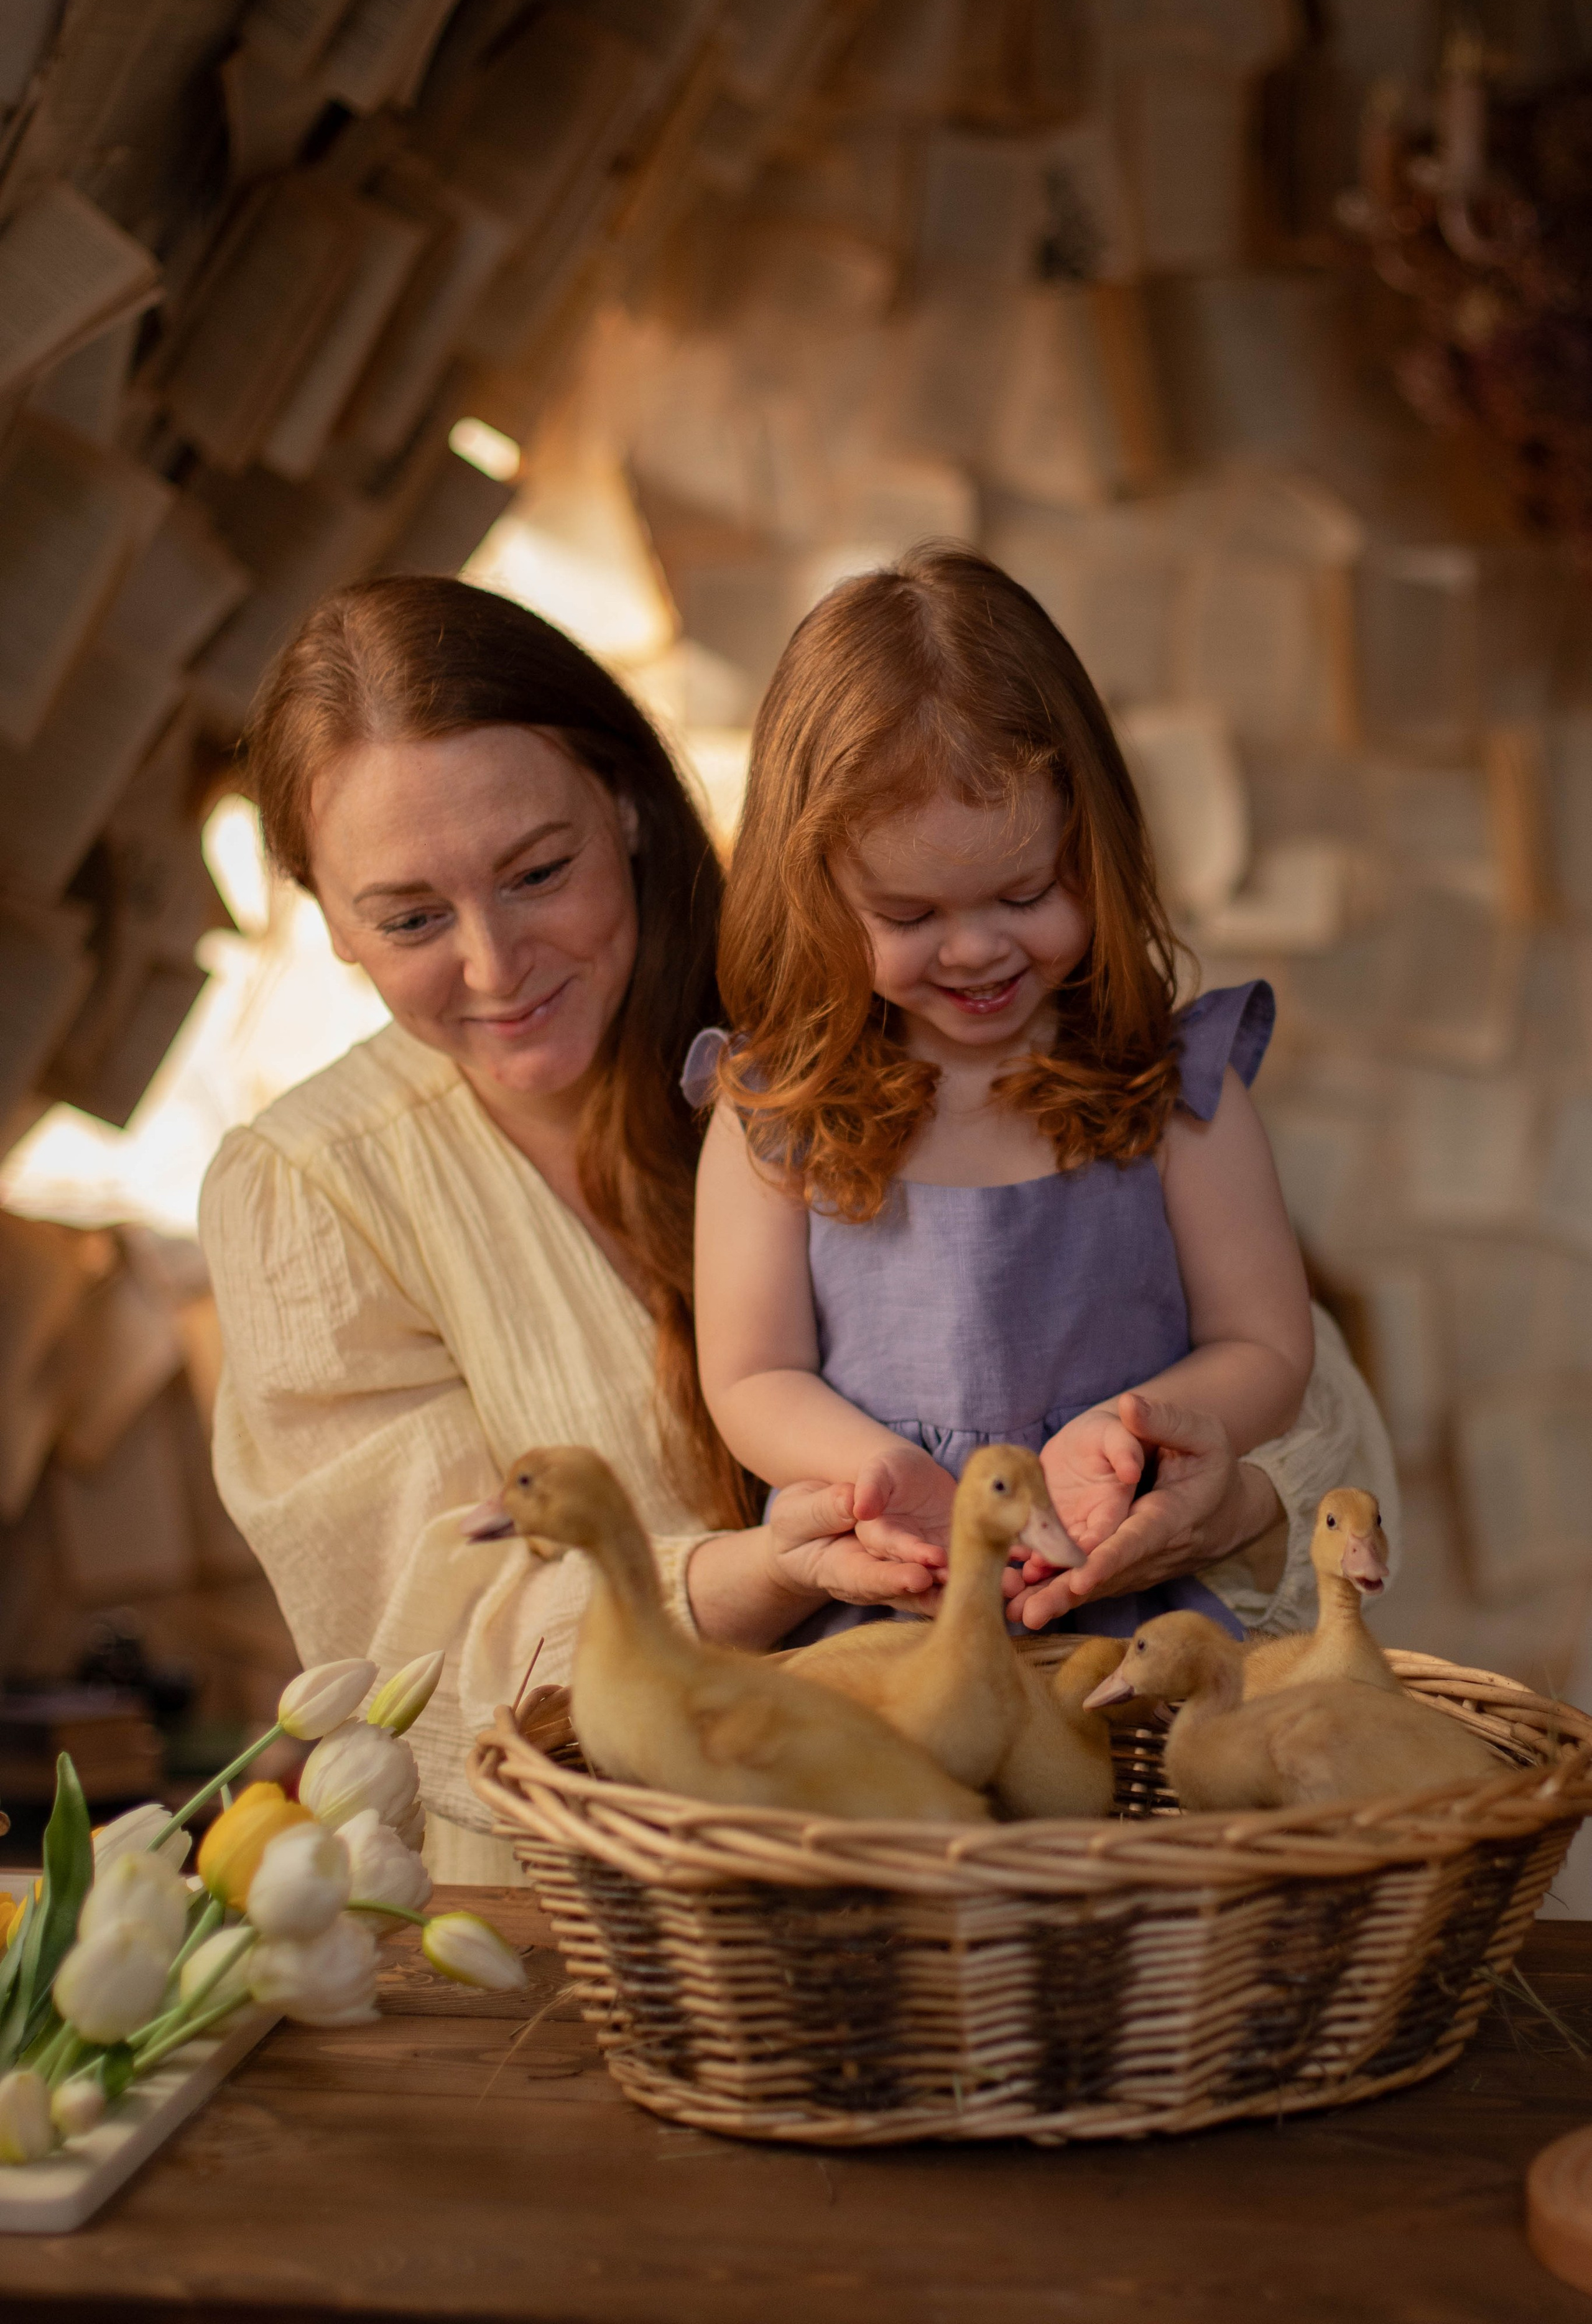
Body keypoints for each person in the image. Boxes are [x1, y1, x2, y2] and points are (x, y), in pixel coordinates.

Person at [201, 574, 1395, 1883]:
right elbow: (418, 1656)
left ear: (630, 807)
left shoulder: (867, 1002)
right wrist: (767, 1570)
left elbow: (1298, 1399)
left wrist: (1203, 1488)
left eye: (540, 873)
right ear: (321, 913)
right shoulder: (322, 1191)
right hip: (622, 1902)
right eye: (410, 917)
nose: (495, 965)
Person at [693, 545, 1317, 1643]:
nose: (976, 950)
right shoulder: (777, 1119)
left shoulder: (1177, 1093)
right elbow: (751, 1375)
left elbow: (1266, 1342)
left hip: (1123, 1588)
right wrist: (871, 1467)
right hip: (898, 1606)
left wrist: (1138, 1433)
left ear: (1096, 847)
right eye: (910, 916)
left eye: (1025, 892)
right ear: (817, 895)